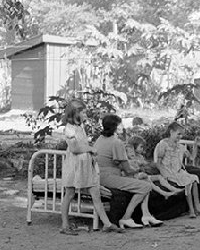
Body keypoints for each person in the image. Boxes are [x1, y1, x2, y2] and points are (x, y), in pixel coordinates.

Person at [60, 99, 123, 234]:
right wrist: (90, 149)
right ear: (75, 112)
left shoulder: (80, 127)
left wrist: (90, 153)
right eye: (82, 111)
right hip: (75, 165)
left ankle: (107, 224)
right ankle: (65, 225)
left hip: (85, 164)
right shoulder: (69, 128)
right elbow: (74, 148)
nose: (84, 114)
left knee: (95, 193)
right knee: (69, 193)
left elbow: (80, 144)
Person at [94, 114, 160, 228]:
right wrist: (140, 168)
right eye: (121, 124)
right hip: (108, 178)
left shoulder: (100, 140)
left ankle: (146, 214)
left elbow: (114, 162)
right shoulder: (116, 142)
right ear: (116, 126)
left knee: (144, 182)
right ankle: (126, 217)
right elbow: (128, 170)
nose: (123, 126)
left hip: (98, 175)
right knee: (145, 186)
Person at [153, 122, 200, 218]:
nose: (180, 137)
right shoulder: (163, 144)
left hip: (178, 171)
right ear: (171, 132)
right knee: (188, 182)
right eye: (178, 134)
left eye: (181, 134)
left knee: (194, 179)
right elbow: (157, 162)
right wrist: (164, 173)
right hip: (168, 172)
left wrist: (195, 144)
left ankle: (197, 207)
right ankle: (191, 210)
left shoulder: (180, 147)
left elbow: (191, 157)